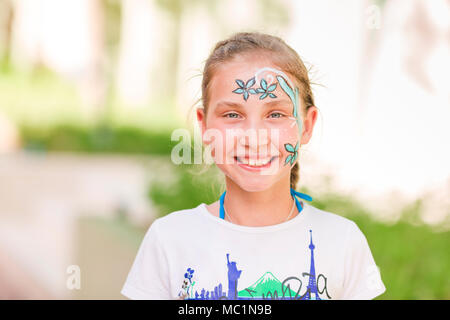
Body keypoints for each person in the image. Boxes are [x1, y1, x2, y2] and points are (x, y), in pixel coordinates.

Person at [121, 31, 386, 300]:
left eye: (276, 114)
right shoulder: (169, 239)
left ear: (306, 126)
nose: (254, 137)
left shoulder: (343, 241)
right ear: (204, 125)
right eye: (233, 114)